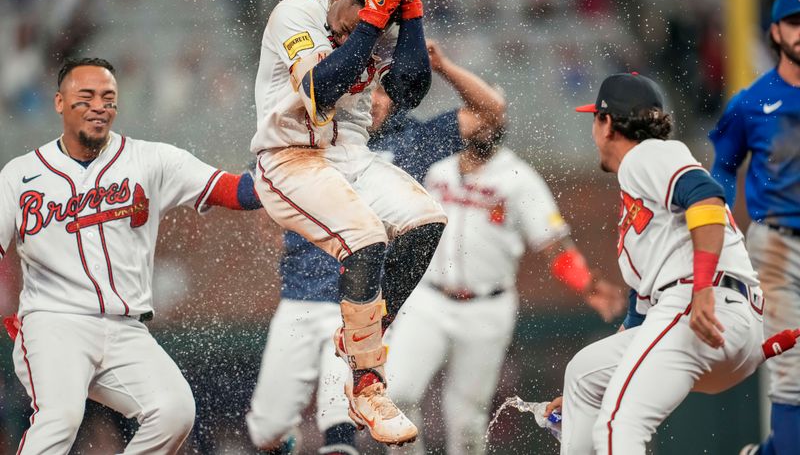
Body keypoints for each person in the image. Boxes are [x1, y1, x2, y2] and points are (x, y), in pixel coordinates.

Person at [245, 39, 507, 455]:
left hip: (361, 304)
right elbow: (262, 199)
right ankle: (284, 438)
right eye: (367, 88)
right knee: (266, 430)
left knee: (339, 418)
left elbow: (490, 112)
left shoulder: (412, 138)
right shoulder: (307, 131)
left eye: (385, 89)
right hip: (298, 295)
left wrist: (443, 65)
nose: (376, 100)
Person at [0, 58, 263, 454]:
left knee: (174, 412)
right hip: (54, 324)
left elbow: (237, 192)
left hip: (125, 329)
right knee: (61, 417)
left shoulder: (150, 160)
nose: (98, 106)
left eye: (108, 97)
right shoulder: (20, 175)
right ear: (58, 102)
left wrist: (280, 169)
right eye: (85, 96)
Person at [249, 0, 447, 446]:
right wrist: (372, 21)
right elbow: (319, 90)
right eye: (359, 22)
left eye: (375, 25)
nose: (360, 35)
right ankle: (366, 382)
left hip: (350, 154)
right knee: (366, 237)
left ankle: (366, 341)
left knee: (427, 219)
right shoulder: (297, 12)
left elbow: (410, 88)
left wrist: (412, 16)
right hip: (289, 155)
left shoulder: (379, 26)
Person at [544, 73, 766, 454]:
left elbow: (707, 199)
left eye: (594, 119)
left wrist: (702, 290)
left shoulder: (646, 154)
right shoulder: (642, 203)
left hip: (703, 308)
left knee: (617, 427)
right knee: (583, 374)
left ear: (607, 122)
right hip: (708, 318)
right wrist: (598, 389)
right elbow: (640, 318)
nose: (593, 129)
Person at [385, 115, 625, 454]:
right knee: (396, 396)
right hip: (429, 298)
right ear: (461, 121)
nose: (481, 125)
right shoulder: (438, 170)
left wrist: (586, 283)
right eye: (474, 114)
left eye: (489, 117)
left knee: (467, 421)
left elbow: (553, 245)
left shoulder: (519, 178)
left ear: (501, 124)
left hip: (487, 306)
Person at [709, 0, 800, 455]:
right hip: (779, 243)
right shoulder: (752, 100)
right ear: (775, 31)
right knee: (793, 373)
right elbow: (722, 166)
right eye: (795, 23)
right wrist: (715, 223)